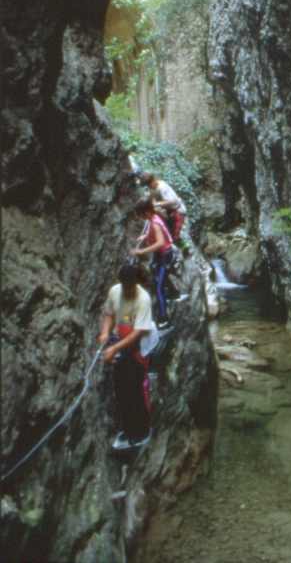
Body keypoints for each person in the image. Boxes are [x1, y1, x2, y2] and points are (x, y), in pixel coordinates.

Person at [98, 260, 158, 450]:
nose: (127, 289)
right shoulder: (115, 291)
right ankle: (128, 427)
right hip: (122, 341)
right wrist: (105, 332)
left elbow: (138, 333)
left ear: (135, 282)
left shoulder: (143, 299)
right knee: (121, 388)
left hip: (140, 346)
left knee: (136, 389)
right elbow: (109, 314)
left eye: (130, 285)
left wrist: (114, 349)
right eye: (125, 285)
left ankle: (142, 430)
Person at [131, 196, 176, 328]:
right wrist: (145, 236)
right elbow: (154, 232)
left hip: (165, 255)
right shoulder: (153, 218)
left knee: (159, 287)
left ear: (146, 212)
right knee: (157, 277)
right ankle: (174, 292)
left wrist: (142, 251)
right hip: (160, 255)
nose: (140, 217)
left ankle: (164, 319)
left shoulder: (155, 222)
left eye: (140, 215)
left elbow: (160, 242)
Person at [140, 172, 187, 243]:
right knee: (170, 232)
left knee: (174, 236)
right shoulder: (153, 188)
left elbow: (173, 201)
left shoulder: (162, 188)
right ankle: (184, 248)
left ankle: (186, 250)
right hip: (170, 212)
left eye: (149, 184)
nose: (149, 187)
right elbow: (151, 196)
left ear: (153, 180)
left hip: (178, 211)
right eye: (147, 185)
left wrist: (157, 204)